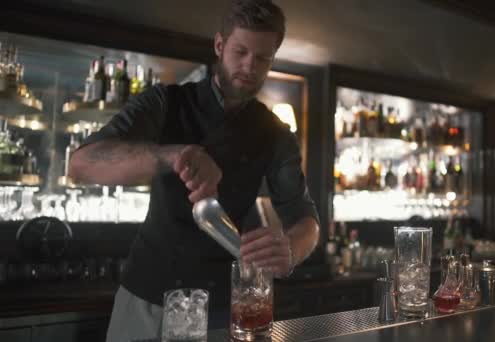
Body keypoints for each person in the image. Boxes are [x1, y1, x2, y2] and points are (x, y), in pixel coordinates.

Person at [68, 0, 320, 340]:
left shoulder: (274, 133)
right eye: (241, 51)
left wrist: (291, 249)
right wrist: (175, 155)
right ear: (219, 45)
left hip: (220, 305)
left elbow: (305, 218)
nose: (249, 66)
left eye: (262, 58)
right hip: (147, 298)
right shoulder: (165, 102)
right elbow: (81, 165)